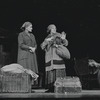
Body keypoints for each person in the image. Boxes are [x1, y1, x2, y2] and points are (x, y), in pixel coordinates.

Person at [41, 24, 70, 90]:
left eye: (55, 28)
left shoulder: (59, 35)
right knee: (51, 72)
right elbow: (42, 47)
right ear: (49, 30)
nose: (55, 30)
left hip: (57, 56)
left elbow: (66, 43)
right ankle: (51, 88)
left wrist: (63, 39)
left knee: (58, 70)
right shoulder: (47, 37)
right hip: (49, 57)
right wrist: (46, 41)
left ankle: (60, 87)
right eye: (53, 28)